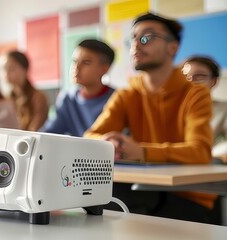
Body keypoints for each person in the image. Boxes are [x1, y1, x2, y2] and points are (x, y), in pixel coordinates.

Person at [84, 13, 217, 224]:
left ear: (172, 48)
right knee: (97, 195)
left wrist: (142, 151)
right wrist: (107, 143)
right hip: (142, 187)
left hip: (188, 195)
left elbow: (199, 151)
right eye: (133, 39)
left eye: (146, 37)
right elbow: (90, 135)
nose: (136, 45)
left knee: (114, 201)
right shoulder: (127, 94)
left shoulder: (195, 94)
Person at [41, 39, 116, 137]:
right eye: (74, 61)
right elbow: (49, 132)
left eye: (86, 62)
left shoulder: (117, 99)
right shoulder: (67, 99)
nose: (76, 67)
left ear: (104, 68)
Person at [182, 56, 227, 160]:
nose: (191, 82)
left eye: (199, 77)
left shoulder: (224, 109)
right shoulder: (168, 108)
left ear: (213, 81)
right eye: (185, 76)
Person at [2, 51, 48, 131]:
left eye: (11, 68)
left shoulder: (38, 97)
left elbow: (34, 130)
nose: (6, 73)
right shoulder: (6, 99)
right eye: (5, 69)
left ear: (24, 69)